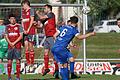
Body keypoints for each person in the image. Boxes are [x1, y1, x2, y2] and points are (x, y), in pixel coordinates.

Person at [36, 4, 59, 78]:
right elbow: (40, 26)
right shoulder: (45, 19)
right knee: (46, 53)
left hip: (52, 36)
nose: (44, 10)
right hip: (47, 37)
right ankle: (46, 68)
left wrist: (38, 13)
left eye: (45, 8)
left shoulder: (51, 14)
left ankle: (57, 69)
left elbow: (41, 17)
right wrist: (34, 25)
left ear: (49, 8)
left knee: (54, 54)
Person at [5, 14, 23, 80]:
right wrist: (10, 43)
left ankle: (18, 77)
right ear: (9, 20)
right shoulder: (7, 27)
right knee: (9, 61)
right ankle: (9, 77)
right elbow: (6, 36)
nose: (13, 20)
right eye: (11, 19)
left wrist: (14, 43)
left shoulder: (19, 26)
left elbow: (21, 36)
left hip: (17, 46)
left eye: (14, 18)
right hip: (10, 46)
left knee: (18, 61)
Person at [21, 0, 35, 65]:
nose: (22, 7)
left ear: (26, 4)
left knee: (30, 46)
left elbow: (32, 20)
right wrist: (23, 29)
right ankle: (28, 62)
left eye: (23, 5)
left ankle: (32, 62)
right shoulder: (23, 11)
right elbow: (22, 21)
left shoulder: (31, 10)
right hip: (25, 31)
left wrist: (28, 29)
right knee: (26, 46)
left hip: (31, 31)